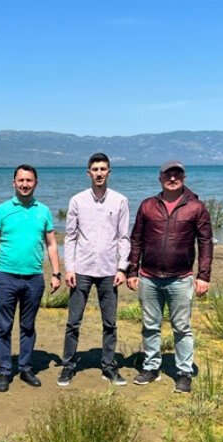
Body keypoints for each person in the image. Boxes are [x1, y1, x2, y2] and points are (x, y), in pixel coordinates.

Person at [126, 160, 213, 393]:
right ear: (160, 178)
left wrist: (204, 276)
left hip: (181, 278)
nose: (172, 178)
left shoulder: (196, 207)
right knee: (150, 325)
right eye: (168, 174)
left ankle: (184, 372)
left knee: (182, 327)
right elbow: (136, 239)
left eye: (177, 174)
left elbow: (205, 242)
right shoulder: (148, 205)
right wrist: (132, 270)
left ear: (183, 178)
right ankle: (151, 367)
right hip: (149, 276)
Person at [0, 164, 61, 392]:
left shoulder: (43, 211)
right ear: (14, 183)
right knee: (3, 327)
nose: (25, 184)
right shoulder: (2, 210)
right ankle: (5, 370)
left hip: (34, 278)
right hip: (6, 277)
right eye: (21, 180)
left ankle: (25, 368)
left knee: (28, 326)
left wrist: (56, 273)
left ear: (35, 183)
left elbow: (51, 244)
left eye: (29, 180)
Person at [59, 152, 130, 387]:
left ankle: (108, 366)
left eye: (103, 169)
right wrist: (69, 268)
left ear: (109, 172)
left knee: (110, 323)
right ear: (88, 173)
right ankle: (68, 365)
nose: (99, 173)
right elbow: (70, 237)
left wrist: (122, 268)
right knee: (73, 321)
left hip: (109, 271)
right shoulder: (77, 200)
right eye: (95, 169)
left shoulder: (120, 201)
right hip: (81, 269)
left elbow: (123, 237)